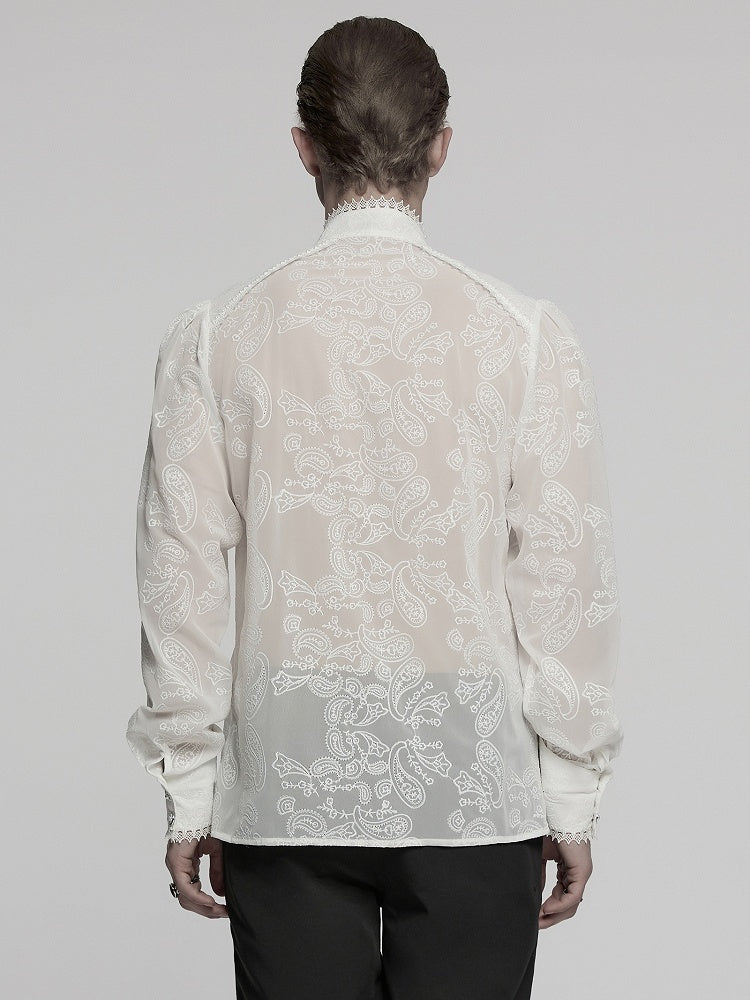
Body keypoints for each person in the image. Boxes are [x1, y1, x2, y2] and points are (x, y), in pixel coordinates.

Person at [126, 15, 624, 1000]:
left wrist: (188, 789)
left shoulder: (217, 336)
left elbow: (179, 579)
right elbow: (565, 575)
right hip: (470, 776)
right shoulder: (523, 335)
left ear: (304, 147)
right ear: (441, 146)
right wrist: (572, 791)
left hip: (288, 771)